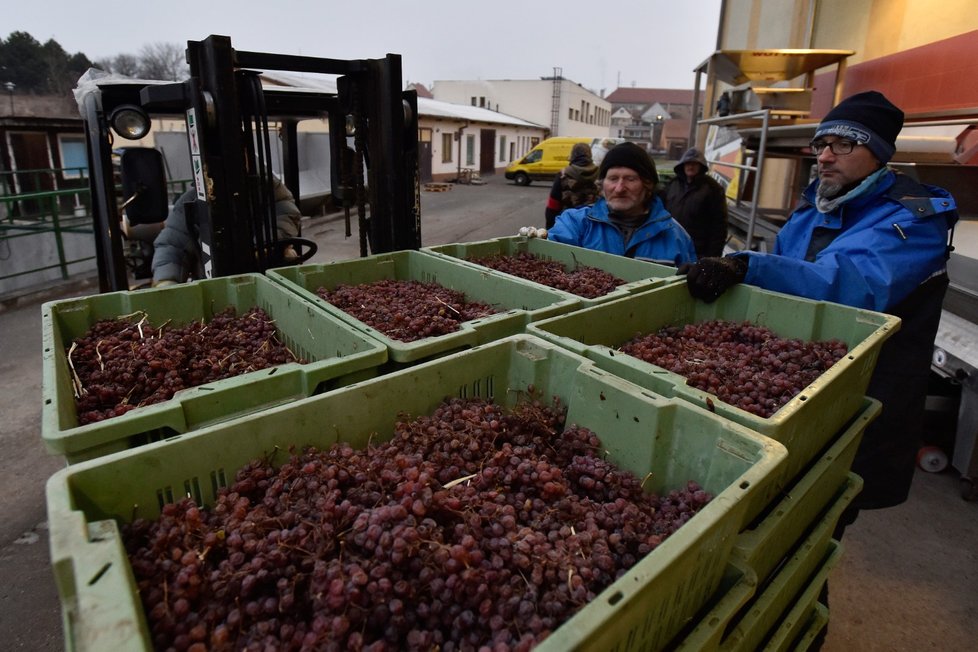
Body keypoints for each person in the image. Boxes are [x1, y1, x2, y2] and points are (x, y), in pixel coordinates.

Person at [681, 90, 958, 523]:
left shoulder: (913, 222)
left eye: (844, 144)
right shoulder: (814, 208)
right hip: (791, 384)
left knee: (817, 515)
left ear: (879, 153)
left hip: (855, 398)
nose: (826, 156)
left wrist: (745, 265)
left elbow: (849, 285)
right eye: (820, 145)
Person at [545, 142, 697, 266]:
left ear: (648, 185)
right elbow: (546, 261)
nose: (619, 189)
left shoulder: (675, 236)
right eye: (613, 178)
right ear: (602, 185)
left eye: (630, 179)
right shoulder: (576, 224)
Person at [152, 175, 302, 286]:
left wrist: (261, 248)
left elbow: (286, 217)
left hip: (268, 278)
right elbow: (172, 245)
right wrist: (166, 281)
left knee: (290, 256)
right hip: (212, 284)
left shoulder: (269, 190)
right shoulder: (192, 201)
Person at [663, 147, 729, 258]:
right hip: (670, 247)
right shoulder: (672, 185)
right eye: (688, 163)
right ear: (682, 165)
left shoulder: (713, 189)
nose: (690, 166)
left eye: (695, 163)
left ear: (701, 166)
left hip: (698, 251)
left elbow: (719, 226)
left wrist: (712, 257)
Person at [544, 142, 599, 229]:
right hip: (594, 225)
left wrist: (550, 228)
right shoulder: (600, 174)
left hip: (567, 226)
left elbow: (553, 205)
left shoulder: (563, 175)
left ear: (573, 155)